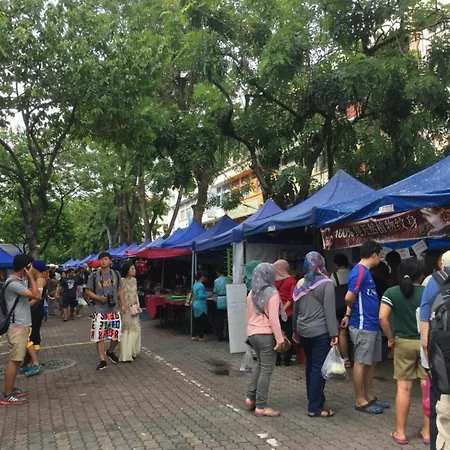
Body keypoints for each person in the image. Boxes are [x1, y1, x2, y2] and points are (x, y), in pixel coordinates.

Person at [379, 258, 429, 445]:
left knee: (404, 388)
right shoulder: (428, 292)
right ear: (421, 275)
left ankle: (400, 432)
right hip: (425, 344)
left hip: (402, 344)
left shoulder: (391, 292)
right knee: (427, 387)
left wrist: (391, 338)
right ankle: (428, 432)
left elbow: (382, 317)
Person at [343, 240, 389, 414]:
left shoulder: (366, 272)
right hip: (363, 324)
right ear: (374, 255)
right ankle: (359, 399)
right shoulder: (359, 272)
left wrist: (348, 314)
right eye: (380, 255)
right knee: (361, 362)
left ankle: (368, 395)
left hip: (372, 324)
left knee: (372, 361)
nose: (380, 258)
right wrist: (352, 312)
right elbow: (349, 297)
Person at [292, 252, 339, 417]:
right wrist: (334, 334)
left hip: (304, 331)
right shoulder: (327, 283)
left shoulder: (300, 283)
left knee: (311, 366)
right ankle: (315, 407)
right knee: (318, 368)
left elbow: (296, 310)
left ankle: (315, 399)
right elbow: (329, 311)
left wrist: (295, 330)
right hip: (321, 332)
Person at [244, 263, 285, 417]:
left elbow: (247, 315)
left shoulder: (252, 293)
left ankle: (250, 398)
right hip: (265, 334)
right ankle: (261, 406)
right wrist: (280, 339)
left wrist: (249, 333)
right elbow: (274, 319)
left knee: (260, 366)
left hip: (253, 334)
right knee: (266, 370)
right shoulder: (272, 293)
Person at [420, 250, 450, 450]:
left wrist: (429, 360)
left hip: (443, 358)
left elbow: (424, 325)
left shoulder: (434, 281)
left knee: (440, 407)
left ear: (442, 264)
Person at [1, 254, 40, 406]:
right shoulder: (13, 283)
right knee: (15, 360)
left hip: (21, 325)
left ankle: (11, 389)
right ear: (26, 267)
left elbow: (29, 301)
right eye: (31, 266)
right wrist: (31, 277)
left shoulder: (17, 282)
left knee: (17, 360)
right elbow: (35, 295)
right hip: (17, 327)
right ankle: (7, 395)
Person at [85, 252, 125, 370]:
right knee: (100, 335)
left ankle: (110, 351)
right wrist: (98, 298)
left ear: (110, 261)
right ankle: (102, 359)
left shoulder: (116, 274)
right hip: (100, 309)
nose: (103, 261)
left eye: (106, 259)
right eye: (101, 259)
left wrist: (123, 304)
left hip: (114, 309)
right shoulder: (94, 275)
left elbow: (120, 289)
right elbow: (88, 291)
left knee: (116, 335)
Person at [20, 260, 48, 377]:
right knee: (33, 335)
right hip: (35, 311)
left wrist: (25, 306)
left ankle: (33, 362)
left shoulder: (40, 280)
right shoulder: (35, 280)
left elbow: (38, 297)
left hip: (36, 311)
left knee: (33, 335)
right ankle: (30, 362)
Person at [273, 259, 296, 366]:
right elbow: (292, 298)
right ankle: (287, 359)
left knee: (277, 336)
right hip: (288, 313)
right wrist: (284, 309)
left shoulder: (273, 281)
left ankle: (277, 359)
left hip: (275, 312)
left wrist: (277, 310)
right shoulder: (291, 280)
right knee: (288, 335)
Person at [331, 253, 351, 368]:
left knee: (342, 332)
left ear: (336, 264)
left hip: (339, 306)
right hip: (353, 305)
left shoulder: (334, 276)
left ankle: (346, 359)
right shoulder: (352, 273)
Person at [119, 262, 141, 362]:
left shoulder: (134, 280)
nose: (134, 270)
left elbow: (136, 294)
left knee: (136, 328)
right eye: (132, 269)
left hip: (134, 307)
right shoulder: (122, 281)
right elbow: (120, 294)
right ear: (127, 270)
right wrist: (123, 305)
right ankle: (126, 354)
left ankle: (133, 351)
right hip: (126, 308)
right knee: (127, 329)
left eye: (134, 269)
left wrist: (138, 304)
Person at [191, 271, 209, 342]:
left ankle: (194, 335)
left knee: (196, 321)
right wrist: (208, 295)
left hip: (195, 303)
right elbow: (201, 296)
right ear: (202, 277)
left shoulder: (195, 284)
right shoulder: (201, 286)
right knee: (201, 321)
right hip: (201, 304)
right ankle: (201, 336)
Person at [213, 267, 228, 342]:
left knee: (219, 318)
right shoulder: (227, 279)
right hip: (227, 298)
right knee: (228, 318)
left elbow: (215, 291)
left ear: (218, 272)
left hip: (219, 299)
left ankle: (220, 336)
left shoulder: (216, 281)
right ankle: (228, 335)